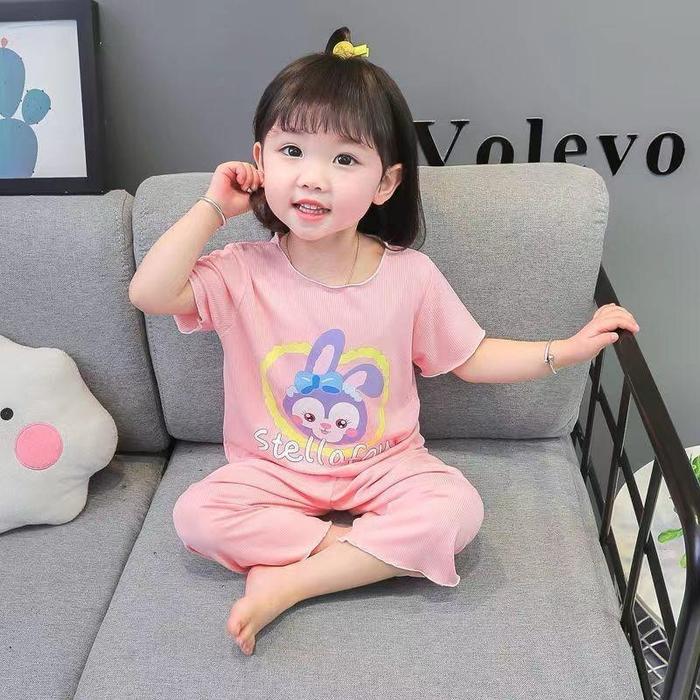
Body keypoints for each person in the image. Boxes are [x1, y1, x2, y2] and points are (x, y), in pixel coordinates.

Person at [128, 26, 641, 657]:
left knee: (456, 511)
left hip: (384, 468)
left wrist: (566, 349)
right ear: (260, 160)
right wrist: (213, 205)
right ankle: (351, 555)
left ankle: (290, 580)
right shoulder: (241, 271)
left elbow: (473, 357)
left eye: (344, 160)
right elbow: (149, 292)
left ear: (386, 183)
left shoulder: (409, 276)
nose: (313, 177)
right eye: (292, 150)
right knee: (196, 516)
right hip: (270, 472)